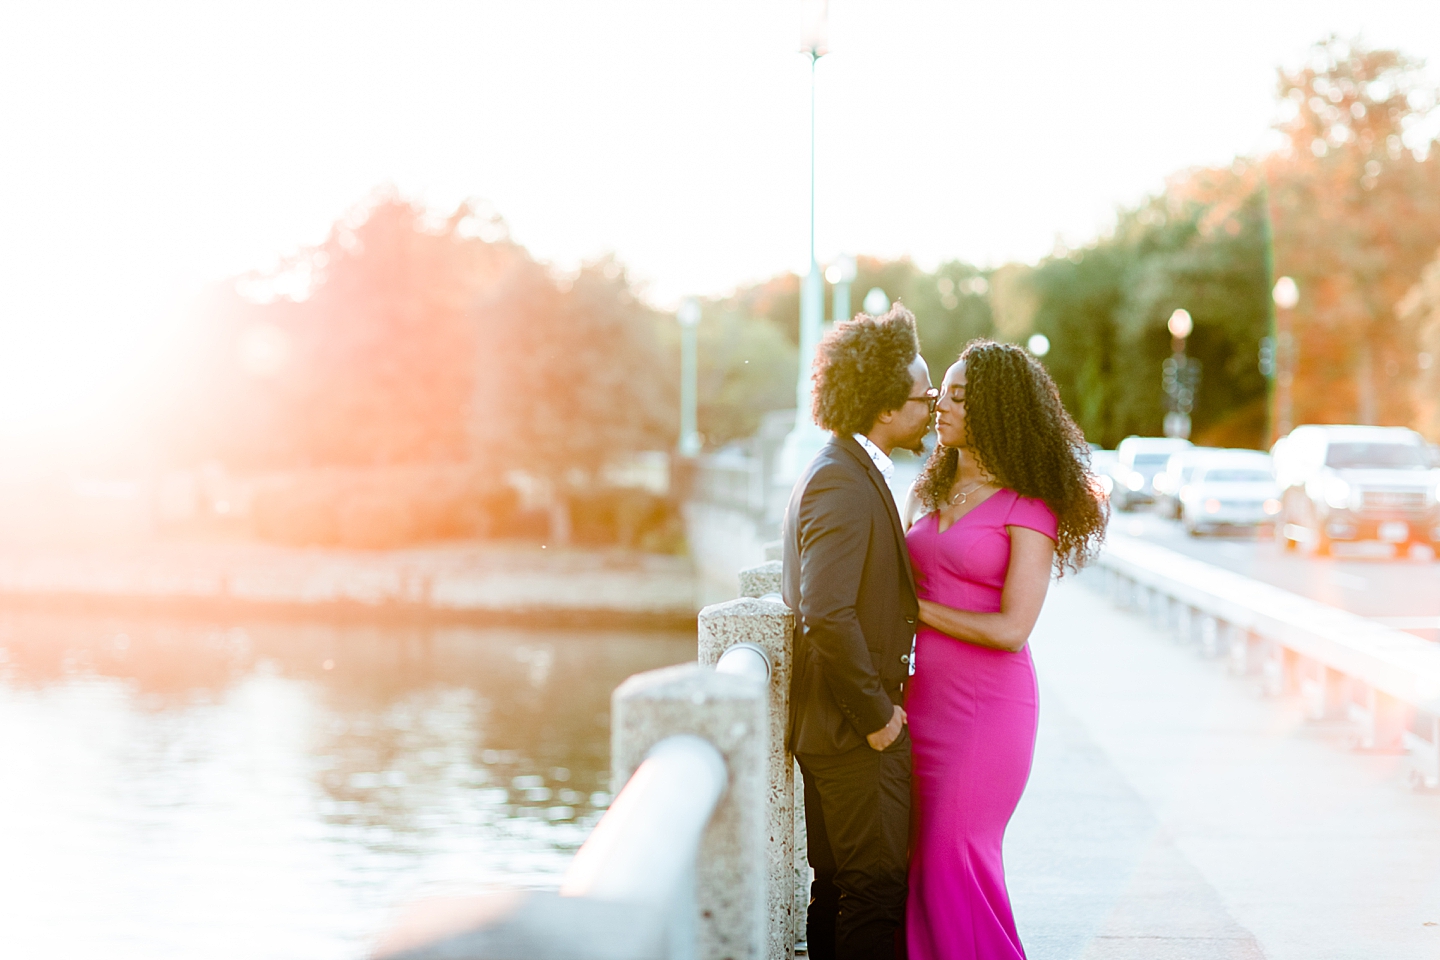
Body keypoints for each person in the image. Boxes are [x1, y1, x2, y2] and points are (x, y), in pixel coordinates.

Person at [900, 340, 1106, 960]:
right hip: (923, 702)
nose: (942, 403)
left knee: (954, 859)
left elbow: (1013, 629)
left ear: (995, 408)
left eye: (961, 395)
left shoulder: (1028, 504)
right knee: (920, 870)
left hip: (987, 710)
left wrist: (915, 612)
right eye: (945, 390)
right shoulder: (929, 490)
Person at [782, 304, 937, 960]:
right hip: (852, 732)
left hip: (838, 728)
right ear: (883, 408)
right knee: (872, 896)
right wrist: (878, 717)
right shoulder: (842, 483)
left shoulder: (848, 468)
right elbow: (827, 612)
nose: (932, 406)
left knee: (841, 889)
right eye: (923, 396)